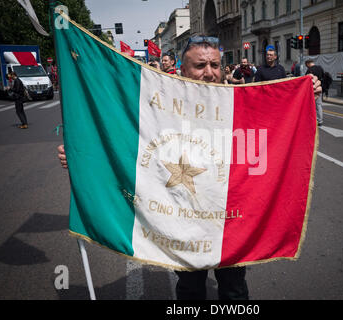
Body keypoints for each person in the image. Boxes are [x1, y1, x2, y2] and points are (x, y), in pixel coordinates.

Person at [57, 35, 323, 300]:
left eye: (215, 65)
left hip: (231, 224)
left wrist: (306, 90)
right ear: (182, 70)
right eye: (200, 66)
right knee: (190, 291)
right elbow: (124, 141)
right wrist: (83, 155)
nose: (209, 72)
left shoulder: (240, 100)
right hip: (181, 222)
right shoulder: (159, 103)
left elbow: (274, 123)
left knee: (234, 291)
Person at [305, 60, 325, 126]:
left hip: (312, 90)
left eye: (306, 66)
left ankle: (312, 119)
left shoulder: (309, 70)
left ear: (308, 64)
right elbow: (323, 77)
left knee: (311, 105)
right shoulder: (320, 68)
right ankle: (320, 120)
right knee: (319, 105)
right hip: (319, 88)